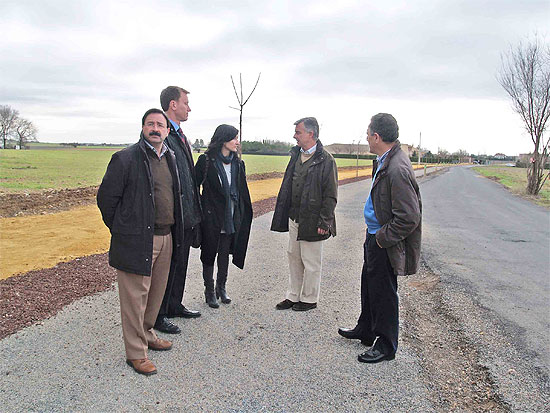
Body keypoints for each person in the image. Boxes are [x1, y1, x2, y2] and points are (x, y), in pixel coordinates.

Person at [97, 108, 183, 376]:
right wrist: (125, 229)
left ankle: (147, 334)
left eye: (160, 124)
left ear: (168, 131)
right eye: (150, 124)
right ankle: (135, 353)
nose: (155, 128)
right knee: (135, 298)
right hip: (138, 239)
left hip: (166, 236)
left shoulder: (170, 158)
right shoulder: (125, 159)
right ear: (143, 127)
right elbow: (106, 200)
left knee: (156, 293)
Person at [338, 113, 422, 363]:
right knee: (370, 285)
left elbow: (409, 216)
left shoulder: (397, 168)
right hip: (375, 235)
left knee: (384, 292)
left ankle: (386, 345)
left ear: (376, 136)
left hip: (384, 240)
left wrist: (382, 237)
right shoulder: (385, 159)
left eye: (367, 134)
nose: (366, 138)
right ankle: (366, 329)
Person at [271, 117, 338, 311]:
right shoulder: (295, 156)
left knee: (311, 261)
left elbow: (330, 195)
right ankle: (293, 295)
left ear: (311, 134)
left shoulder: (326, 160)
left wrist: (325, 222)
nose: (294, 136)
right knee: (294, 256)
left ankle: (309, 299)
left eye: (298, 132)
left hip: (314, 219)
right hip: (294, 216)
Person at [154, 86, 202, 335]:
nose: (189, 108)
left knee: (181, 262)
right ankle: (158, 314)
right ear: (173, 104)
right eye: (186, 103)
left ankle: (174, 304)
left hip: (186, 213)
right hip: (171, 215)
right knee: (166, 266)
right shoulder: (161, 133)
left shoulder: (180, 135)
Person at [195, 125, 253, 308]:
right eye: (235, 138)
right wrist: (202, 209)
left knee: (225, 254)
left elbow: (241, 190)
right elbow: (193, 187)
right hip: (211, 217)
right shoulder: (206, 161)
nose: (238, 142)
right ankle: (209, 291)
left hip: (231, 216)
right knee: (209, 253)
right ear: (224, 139)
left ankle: (222, 288)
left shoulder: (238, 163)